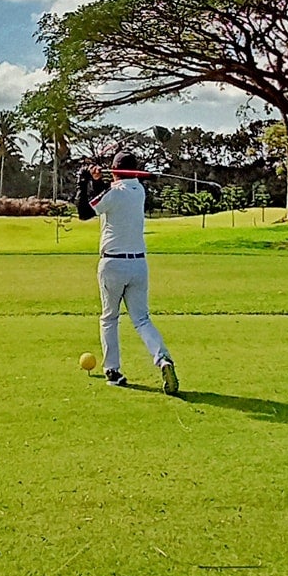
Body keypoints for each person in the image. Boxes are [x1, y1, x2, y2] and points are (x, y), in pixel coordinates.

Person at [76, 151, 179, 395]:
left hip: (113, 264)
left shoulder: (114, 194)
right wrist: (97, 181)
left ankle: (112, 370)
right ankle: (163, 358)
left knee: (109, 318)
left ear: (115, 170)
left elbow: (84, 212)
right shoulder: (138, 191)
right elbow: (104, 196)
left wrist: (83, 181)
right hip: (138, 265)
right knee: (142, 319)